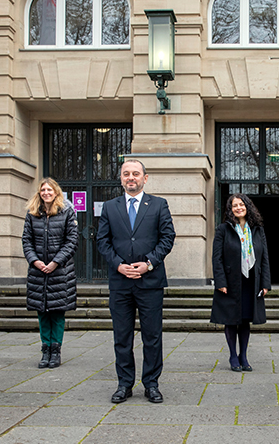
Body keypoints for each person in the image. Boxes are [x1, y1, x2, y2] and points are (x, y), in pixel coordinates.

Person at [97, 159, 176, 404]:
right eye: (126, 174)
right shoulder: (110, 207)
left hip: (150, 281)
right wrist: (118, 265)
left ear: (145, 177)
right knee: (122, 336)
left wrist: (149, 263)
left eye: (136, 174)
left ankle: (151, 384)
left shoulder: (159, 205)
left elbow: (168, 237)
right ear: (120, 178)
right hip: (120, 283)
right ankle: (124, 384)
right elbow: (102, 241)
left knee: (152, 336)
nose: (131, 177)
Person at [210, 193, 271, 372]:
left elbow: (265, 257)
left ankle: (243, 355)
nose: (238, 208)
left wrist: (265, 283)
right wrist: (220, 281)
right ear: (230, 209)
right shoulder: (224, 229)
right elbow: (217, 258)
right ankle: (232, 355)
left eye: (241, 205)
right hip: (230, 282)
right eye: (234, 205)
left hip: (251, 280)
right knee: (230, 319)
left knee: (245, 319)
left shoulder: (258, 229)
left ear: (247, 207)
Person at [22, 178, 79, 369]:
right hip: (38, 272)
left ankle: (56, 350)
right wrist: (35, 261)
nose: (46, 192)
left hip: (60, 272)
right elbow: (26, 241)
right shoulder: (32, 214)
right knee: (42, 312)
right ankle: (45, 350)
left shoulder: (66, 212)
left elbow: (71, 241)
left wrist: (55, 262)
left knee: (57, 312)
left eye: (49, 189)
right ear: (39, 192)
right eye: (43, 189)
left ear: (56, 192)